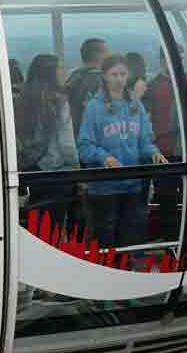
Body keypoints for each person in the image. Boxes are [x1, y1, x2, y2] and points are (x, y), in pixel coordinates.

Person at [77, 54, 164, 249]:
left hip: (132, 186)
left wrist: (153, 152)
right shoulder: (93, 108)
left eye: (122, 74)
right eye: (114, 74)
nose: (119, 79)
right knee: (105, 239)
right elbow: (84, 146)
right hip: (103, 189)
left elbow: (144, 141)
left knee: (130, 237)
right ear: (105, 76)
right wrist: (103, 157)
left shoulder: (135, 105)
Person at [65, 37, 108, 125]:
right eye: (106, 52)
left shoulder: (71, 76)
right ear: (99, 55)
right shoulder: (102, 80)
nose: (109, 56)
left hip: (73, 130)